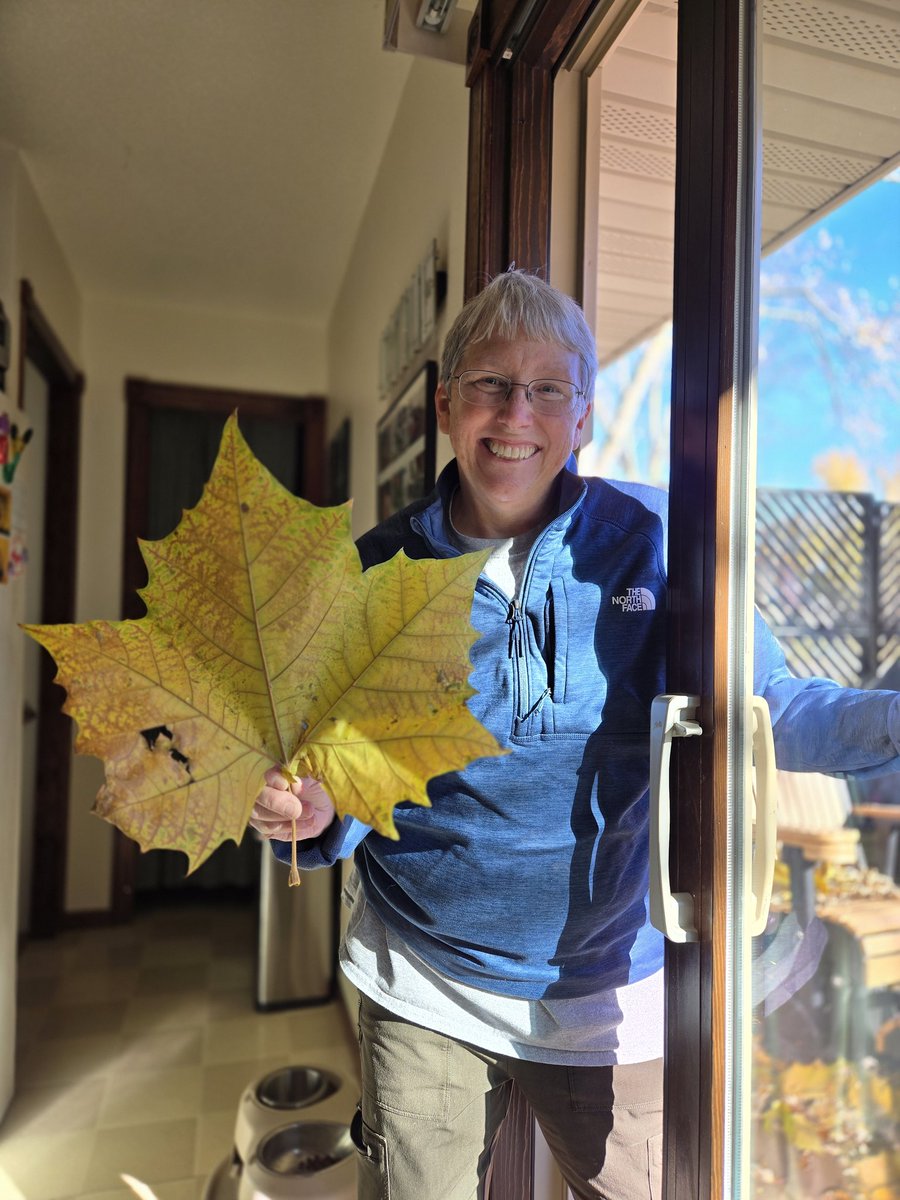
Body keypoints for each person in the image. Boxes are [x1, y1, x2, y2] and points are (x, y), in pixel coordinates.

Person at [249, 271, 900, 1200]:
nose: (517, 412)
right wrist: (311, 810)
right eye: (489, 383)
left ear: (584, 415)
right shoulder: (373, 572)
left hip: (615, 995)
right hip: (427, 980)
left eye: (549, 388)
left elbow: (767, 710)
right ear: (445, 403)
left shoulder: (657, 538)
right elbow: (347, 768)